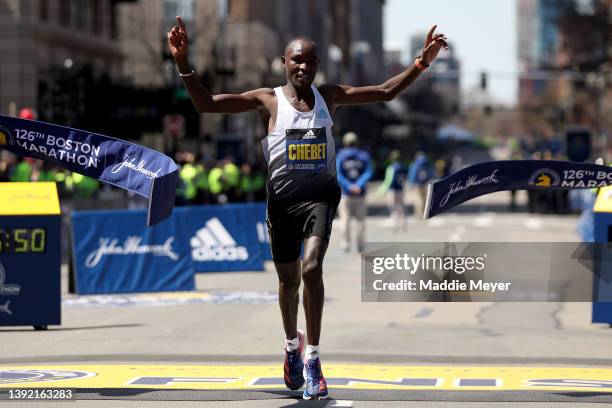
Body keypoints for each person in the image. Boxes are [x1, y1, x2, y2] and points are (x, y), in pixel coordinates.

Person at [167, 17, 447, 399]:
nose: (304, 67)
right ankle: (290, 347)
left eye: (311, 61)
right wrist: (183, 61)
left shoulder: (328, 97)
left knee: (312, 268)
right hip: (281, 204)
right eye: (297, 61)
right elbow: (206, 104)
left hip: (320, 199)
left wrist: (421, 62)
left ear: (317, 66)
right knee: (288, 282)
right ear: (284, 62)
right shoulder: (267, 100)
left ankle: (313, 357)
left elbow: (384, 92)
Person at [336, 132, 373, 252]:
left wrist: (348, 185)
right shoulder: (364, 156)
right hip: (360, 194)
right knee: (360, 221)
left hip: (346, 194)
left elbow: (338, 174)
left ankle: (345, 243)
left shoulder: (341, 156)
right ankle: (360, 244)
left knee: (344, 220)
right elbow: (368, 172)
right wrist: (358, 185)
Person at [378, 150, 407, 231]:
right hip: (400, 189)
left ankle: (395, 225)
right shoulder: (403, 167)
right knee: (401, 207)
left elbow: (388, 181)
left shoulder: (391, 167)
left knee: (393, 208)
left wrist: (381, 191)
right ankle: (403, 224)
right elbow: (404, 178)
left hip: (393, 190)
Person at [408, 151, 435, 219]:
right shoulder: (426, 163)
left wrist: (411, 184)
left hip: (417, 184)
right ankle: (423, 213)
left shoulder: (415, 164)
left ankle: (419, 214)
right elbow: (431, 173)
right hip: (425, 183)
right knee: (424, 199)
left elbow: (412, 175)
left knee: (418, 199)